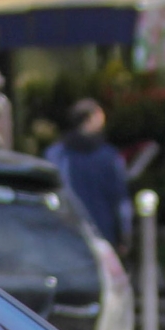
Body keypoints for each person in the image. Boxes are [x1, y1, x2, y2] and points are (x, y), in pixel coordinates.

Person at [46, 100, 131, 249]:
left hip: (65, 231)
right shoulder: (109, 156)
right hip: (103, 231)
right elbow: (120, 200)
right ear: (91, 119)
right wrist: (124, 234)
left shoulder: (55, 155)